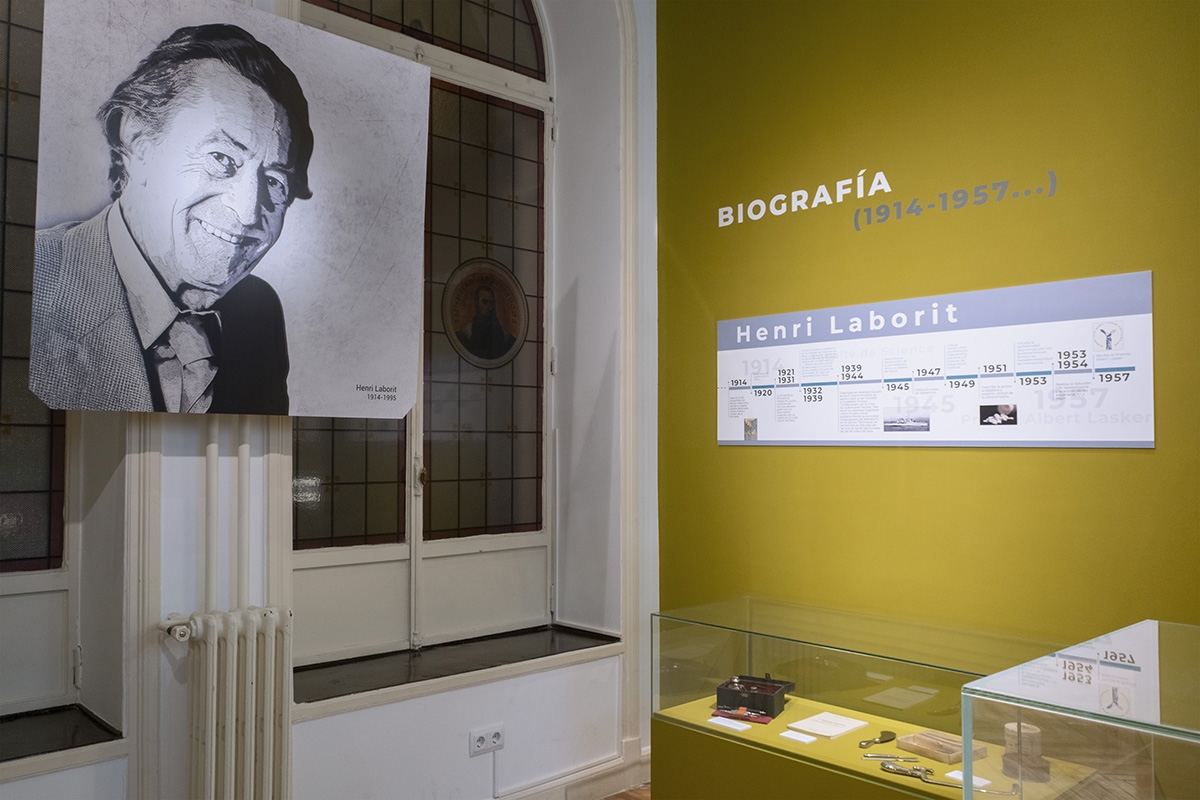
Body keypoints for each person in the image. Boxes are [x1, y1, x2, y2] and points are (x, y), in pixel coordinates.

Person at [30, 23, 314, 414]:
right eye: (221, 158)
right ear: (136, 140)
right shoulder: (30, 280)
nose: (248, 212)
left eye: (275, 181)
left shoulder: (258, 310)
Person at [455, 285, 516, 361]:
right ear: (476, 303)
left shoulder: (508, 339)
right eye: (484, 302)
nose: (490, 308)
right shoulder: (463, 336)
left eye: (492, 303)